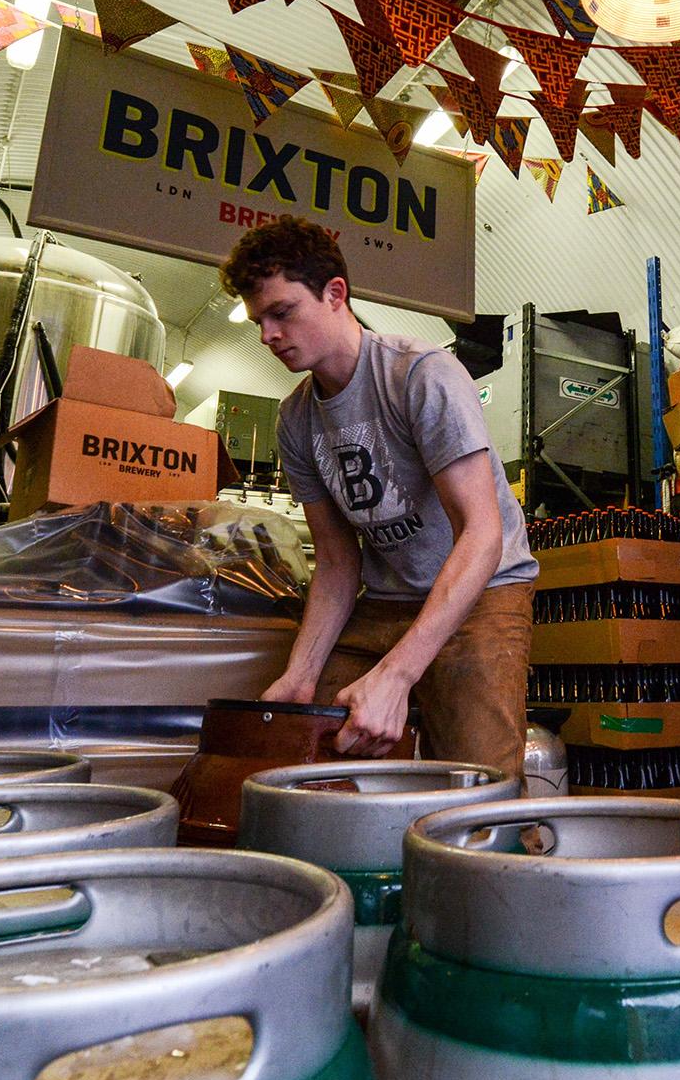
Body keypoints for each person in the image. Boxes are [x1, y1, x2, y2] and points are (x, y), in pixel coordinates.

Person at [221, 217, 537, 776]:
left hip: (481, 588)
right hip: (386, 599)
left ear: (335, 294)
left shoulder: (421, 375)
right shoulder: (295, 420)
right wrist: (301, 672)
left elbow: (483, 535)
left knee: (476, 780)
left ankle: (510, 841)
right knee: (316, 743)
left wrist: (397, 675)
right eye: (259, 321)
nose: (268, 334)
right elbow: (339, 564)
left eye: (282, 312)